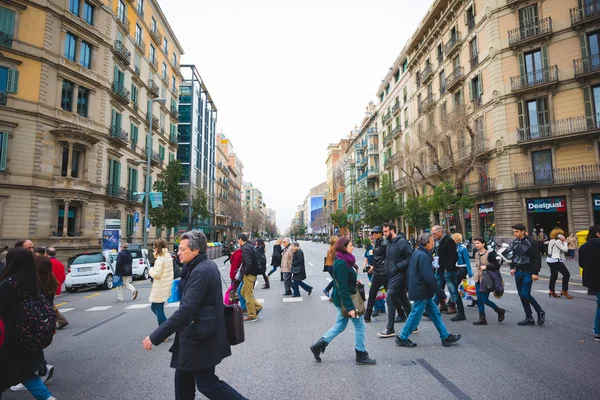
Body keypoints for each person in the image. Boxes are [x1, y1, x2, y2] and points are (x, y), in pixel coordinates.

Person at [142, 231, 247, 400]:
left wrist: (156, 336)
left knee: (208, 384)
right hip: (196, 334)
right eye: (179, 249)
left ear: (196, 250)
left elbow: (185, 312)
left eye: (183, 249)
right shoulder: (197, 267)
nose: (178, 252)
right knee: (183, 383)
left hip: (200, 338)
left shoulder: (201, 271)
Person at [0, 249, 57, 400]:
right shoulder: (32, 281)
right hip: (27, 335)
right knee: (24, 371)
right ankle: (47, 397)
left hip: (7, 336)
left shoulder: (8, 283)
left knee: (19, 370)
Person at [310, 237, 376, 365]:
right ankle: (360, 354)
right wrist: (350, 308)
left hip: (344, 299)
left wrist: (355, 280)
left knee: (340, 325)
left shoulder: (345, 260)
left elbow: (346, 280)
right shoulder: (341, 263)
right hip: (346, 300)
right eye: (351, 245)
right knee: (360, 326)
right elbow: (342, 288)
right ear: (344, 247)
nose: (353, 247)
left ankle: (319, 345)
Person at [395, 233, 461, 348]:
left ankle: (445, 336)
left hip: (420, 289)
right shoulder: (423, 256)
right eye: (432, 240)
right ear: (426, 243)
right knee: (415, 315)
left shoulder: (418, 253)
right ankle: (402, 336)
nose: (433, 242)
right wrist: (440, 293)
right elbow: (429, 278)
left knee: (435, 313)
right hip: (422, 290)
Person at [378, 222, 414, 338]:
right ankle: (413, 325)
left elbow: (411, 256)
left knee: (390, 295)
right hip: (391, 274)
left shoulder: (401, 242)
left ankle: (390, 328)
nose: (384, 234)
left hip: (401, 274)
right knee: (403, 298)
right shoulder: (389, 242)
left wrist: (398, 266)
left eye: (386, 231)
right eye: (383, 232)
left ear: (392, 230)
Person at [508, 223, 545, 326]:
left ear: (523, 231)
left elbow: (537, 258)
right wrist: (512, 267)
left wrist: (535, 273)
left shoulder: (532, 242)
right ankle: (529, 318)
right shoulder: (515, 242)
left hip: (528, 271)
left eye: (516, 232)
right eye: (514, 232)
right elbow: (514, 256)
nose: (515, 234)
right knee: (522, 296)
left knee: (525, 294)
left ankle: (540, 311)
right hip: (518, 271)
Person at [472, 238, 505, 325]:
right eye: (475, 243)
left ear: (483, 244)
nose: (476, 245)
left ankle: (499, 310)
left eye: (478, 243)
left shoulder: (490, 254)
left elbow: (497, 266)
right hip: (477, 278)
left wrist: (487, 267)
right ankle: (482, 318)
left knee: (484, 299)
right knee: (479, 299)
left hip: (486, 279)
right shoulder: (476, 254)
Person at [578, 225, 600, 342]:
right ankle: (598, 330)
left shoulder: (583, 247)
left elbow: (581, 264)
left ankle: (597, 330)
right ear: (597, 233)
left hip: (591, 280)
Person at [148, 239, 174, 328]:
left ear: (158, 247)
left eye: (154, 247)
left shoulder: (160, 259)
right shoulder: (167, 256)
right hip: (165, 285)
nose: (153, 249)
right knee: (155, 308)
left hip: (160, 287)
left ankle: (165, 329)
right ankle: (167, 326)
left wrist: (150, 270)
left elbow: (156, 274)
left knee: (158, 310)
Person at [364, 226, 387, 322]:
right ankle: (367, 314)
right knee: (372, 293)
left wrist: (374, 266)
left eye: (376, 233)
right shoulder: (374, 244)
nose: (374, 234)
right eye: (373, 233)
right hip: (377, 273)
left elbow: (386, 258)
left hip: (383, 272)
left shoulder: (384, 244)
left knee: (392, 294)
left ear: (381, 233)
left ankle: (402, 313)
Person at [432, 226, 457, 314]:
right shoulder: (438, 241)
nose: (433, 235)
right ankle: (435, 307)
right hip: (440, 268)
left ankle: (453, 306)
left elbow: (454, 256)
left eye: (434, 233)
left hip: (447, 269)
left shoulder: (448, 240)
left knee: (452, 289)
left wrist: (448, 268)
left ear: (440, 232)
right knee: (438, 288)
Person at [238, 234, 263, 322]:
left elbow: (248, 262)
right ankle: (257, 306)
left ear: (241, 239)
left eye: (238, 240)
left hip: (249, 274)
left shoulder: (245, 248)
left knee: (248, 294)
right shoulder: (250, 246)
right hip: (253, 273)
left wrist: (244, 273)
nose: (238, 242)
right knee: (243, 292)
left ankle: (252, 315)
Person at [441, 230, 465, 321]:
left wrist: (448, 268)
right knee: (449, 290)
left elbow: (455, 257)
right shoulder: (443, 242)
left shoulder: (456, 245)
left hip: (455, 270)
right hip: (448, 270)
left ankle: (457, 309)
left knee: (454, 291)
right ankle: (446, 305)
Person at [46, 247, 68, 330]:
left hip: (47, 287)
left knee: (48, 305)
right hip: (55, 286)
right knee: (50, 304)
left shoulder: (46, 263)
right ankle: (61, 320)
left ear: (47, 253)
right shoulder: (59, 263)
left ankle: (59, 320)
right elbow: (63, 276)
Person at [546, 228, 572, 299]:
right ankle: (564, 290)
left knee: (554, 275)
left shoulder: (551, 240)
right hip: (555, 260)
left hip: (549, 260)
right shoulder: (558, 241)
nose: (563, 235)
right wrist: (565, 242)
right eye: (562, 234)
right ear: (559, 235)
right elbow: (565, 249)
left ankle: (551, 290)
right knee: (566, 274)